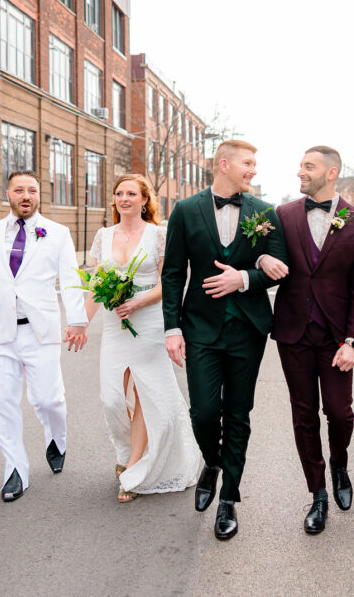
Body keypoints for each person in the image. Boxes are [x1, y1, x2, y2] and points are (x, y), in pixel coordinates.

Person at [161, 139, 288, 540]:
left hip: (247, 328)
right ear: (223, 164)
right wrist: (172, 327)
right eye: (248, 163)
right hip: (199, 328)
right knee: (202, 412)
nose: (254, 170)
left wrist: (247, 276)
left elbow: (280, 265)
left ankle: (229, 497)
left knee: (237, 413)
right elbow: (173, 274)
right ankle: (212, 462)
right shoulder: (184, 210)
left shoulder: (265, 212)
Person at [0, 170, 88, 502]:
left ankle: (57, 438)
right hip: (0, 333)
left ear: (40, 195)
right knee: (5, 402)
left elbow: (70, 279)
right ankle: (15, 471)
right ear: (7, 194)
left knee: (47, 399)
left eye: (33, 190)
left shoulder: (57, 233)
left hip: (42, 332)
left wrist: (77, 319)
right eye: (19, 190)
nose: (26, 196)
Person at [257, 146, 354, 533]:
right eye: (300, 166)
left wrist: (353, 341)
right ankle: (318, 493)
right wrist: (260, 261)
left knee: (339, 413)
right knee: (303, 414)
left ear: (331, 172)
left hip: (337, 337)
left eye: (308, 167)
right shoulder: (284, 214)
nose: (300, 172)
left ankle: (339, 464)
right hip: (293, 332)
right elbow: (259, 252)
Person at [85, 174, 201, 503]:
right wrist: (80, 322)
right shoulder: (103, 236)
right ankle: (125, 451)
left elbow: (171, 283)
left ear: (144, 199)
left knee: (146, 395)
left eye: (131, 193)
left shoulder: (159, 235)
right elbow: (96, 285)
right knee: (111, 400)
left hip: (149, 323)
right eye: (119, 192)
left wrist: (138, 301)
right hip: (114, 327)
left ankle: (132, 468)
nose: (124, 198)